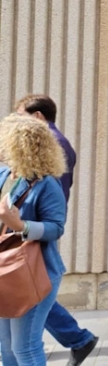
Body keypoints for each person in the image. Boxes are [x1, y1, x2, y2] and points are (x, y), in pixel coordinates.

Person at [14, 95, 99, 366]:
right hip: (30, 233)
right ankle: (78, 338)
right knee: (31, 298)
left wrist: (27, 225)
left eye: (20, 116)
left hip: (36, 233)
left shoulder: (52, 144)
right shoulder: (52, 144)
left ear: (37, 116)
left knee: (32, 298)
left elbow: (50, 208)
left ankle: (78, 338)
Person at [0, 114, 67, 365]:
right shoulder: (5, 174)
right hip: (6, 270)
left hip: (34, 272)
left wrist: (21, 225)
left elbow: (55, 228)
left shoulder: (46, 184)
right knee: (6, 348)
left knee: (25, 347)